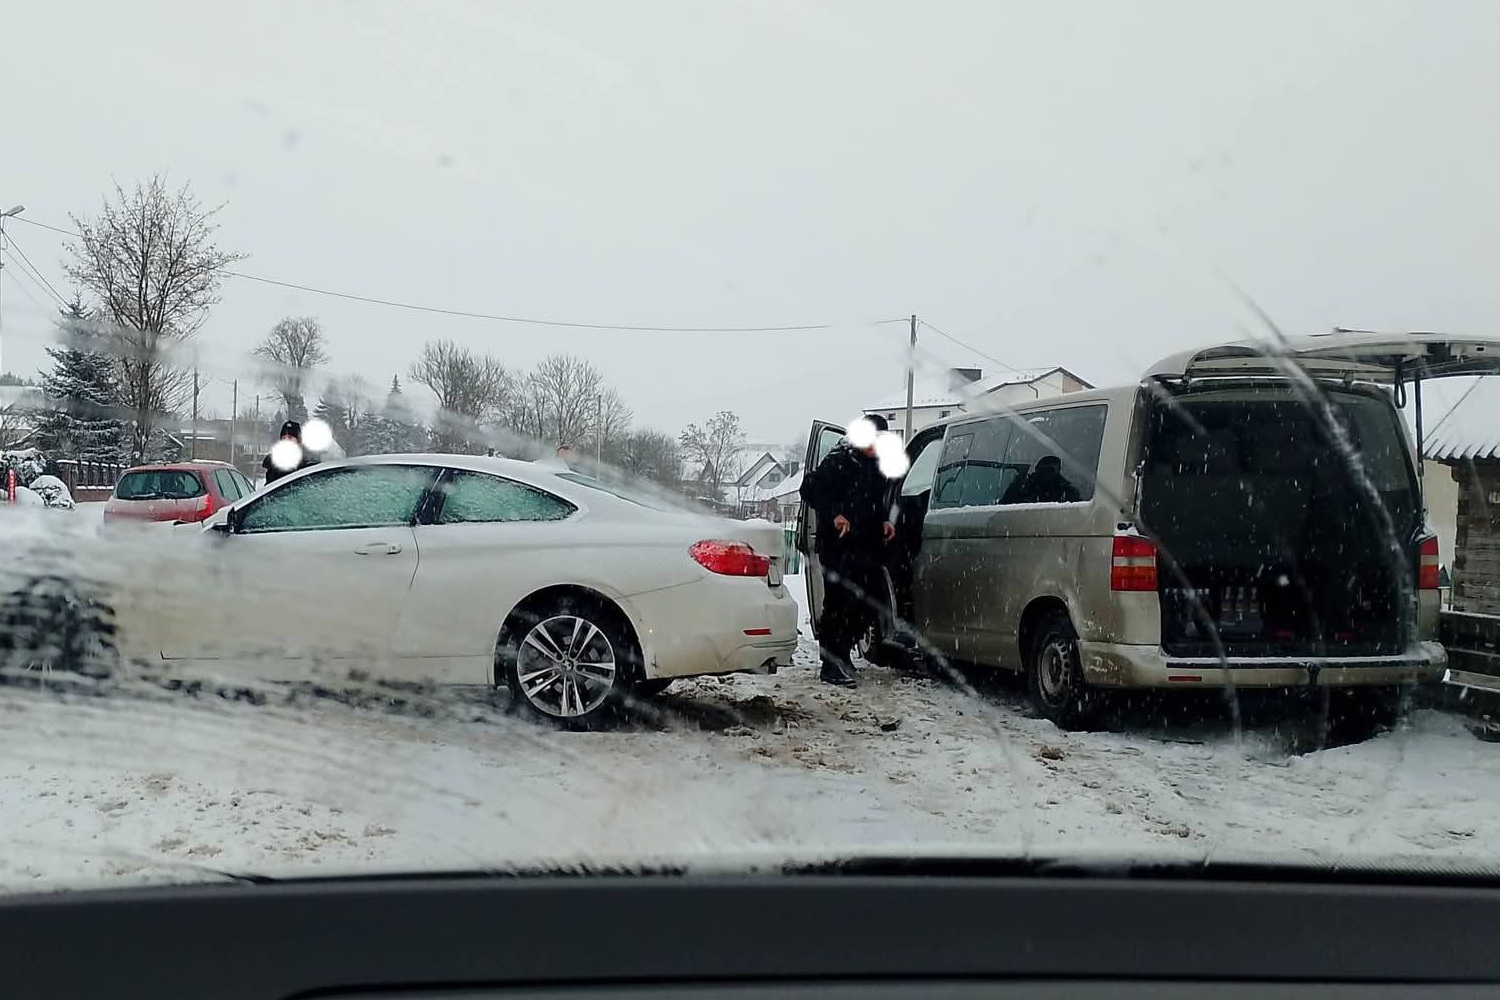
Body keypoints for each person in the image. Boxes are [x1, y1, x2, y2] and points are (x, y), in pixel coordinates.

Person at [799, 415, 896, 687]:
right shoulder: (840, 459)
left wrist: (885, 520)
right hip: (838, 545)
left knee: (869, 602)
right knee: (838, 605)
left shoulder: (877, 465)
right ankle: (831, 665)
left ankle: (842, 654)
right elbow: (809, 488)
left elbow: (875, 500)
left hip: (867, 545)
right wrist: (835, 515)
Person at [1001, 454, 1081, 504]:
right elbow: (1003, 507)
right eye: (1041, 469)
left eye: (1050, 470)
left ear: (1058, 471)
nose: (1045, 474)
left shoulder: (1068, 492)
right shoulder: (1024, 487)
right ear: (1036, 470)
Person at [261, 420, 319, 485]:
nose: (286, 441)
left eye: (290, 438)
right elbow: (269, 488)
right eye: (284, 438)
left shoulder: (308, 463)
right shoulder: (273, 463)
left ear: (298, 440)